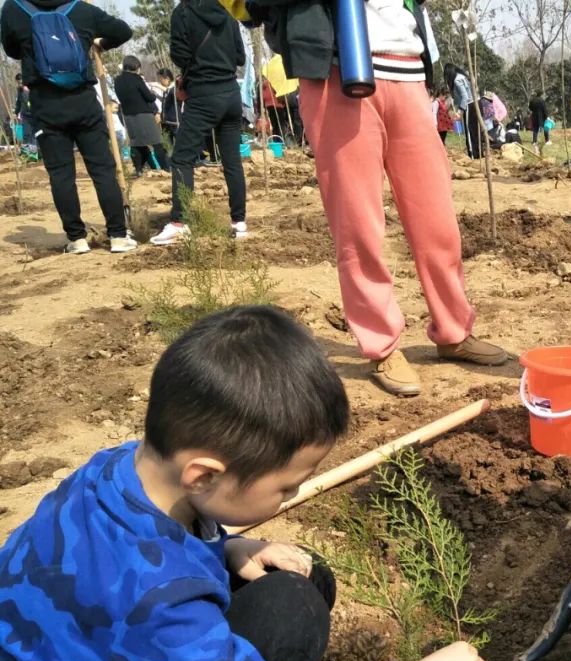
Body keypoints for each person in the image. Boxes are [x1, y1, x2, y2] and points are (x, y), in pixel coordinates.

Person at [0, 306, 489, 661]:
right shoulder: (155, 601)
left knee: (298, 588)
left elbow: (141, 564)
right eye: (286, 486)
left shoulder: (116, 470)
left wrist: (225, 546)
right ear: (203, 476)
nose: (292, 495)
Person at [246, 0, 507, 397]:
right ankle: (381, 344)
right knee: (358, 225)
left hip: (408, 69)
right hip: (336, 70)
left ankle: (454, 331)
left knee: (437, 220)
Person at [0, 0, 136, 254]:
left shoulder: (13, 7)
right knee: (102, 169)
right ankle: (118, 234)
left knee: (61, 174)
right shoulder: (81, 8)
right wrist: (98, 43)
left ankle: (77, 239)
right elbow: (123, 30)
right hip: (83, 100)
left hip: (44, 102)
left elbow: (11, 49)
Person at [151, 0, 247, 246]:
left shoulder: (182, 12)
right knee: (231, 160)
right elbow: (240, 56)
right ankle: (239, 221)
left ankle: (179, 223)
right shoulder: (227, 10)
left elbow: (180, 55)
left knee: (182, 158)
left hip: (204, 93)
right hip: (231, 93)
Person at [115, 55, 170, 177]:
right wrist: (153, 94)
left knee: (136, 143)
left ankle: (138, 169)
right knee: (156, 142)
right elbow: (149, 97)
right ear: (135, 66)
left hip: (128, 115)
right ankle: (166, 168)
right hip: (143, 114)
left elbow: (119, 97)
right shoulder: (136, 79)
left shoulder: (117, 80)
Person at [446, 63, 481, 159]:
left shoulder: (457, 80)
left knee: (469, 132)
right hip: (477, 102)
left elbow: (465, 97)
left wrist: (459, 112)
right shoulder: (464, 76)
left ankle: (473, 155)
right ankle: (479, 154)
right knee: (476, 131)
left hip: (470, 105)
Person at [12, 72, 34, 148]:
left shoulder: (32, 87)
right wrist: (16, 112)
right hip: (25, 115)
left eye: (20, 81)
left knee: (34, 134)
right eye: (18, 82)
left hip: (35, 114)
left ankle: (36, 151)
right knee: (26, 134)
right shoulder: (19, 90)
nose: (19, 84)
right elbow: (18, 102)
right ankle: (29, 153)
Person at [158, 67, 180, 143]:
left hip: (175, 122)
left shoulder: (174, 88)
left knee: (179, 143)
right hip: (166, 123)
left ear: (167, 78)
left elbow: (172, 93)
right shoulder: (166, 90)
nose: (160, 81)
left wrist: (156, 86)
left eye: (161, 79)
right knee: (168, 144)